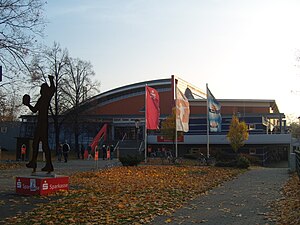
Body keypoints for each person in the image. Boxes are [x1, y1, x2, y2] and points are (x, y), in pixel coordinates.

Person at [22, 75, 55, 173]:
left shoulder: (46, 97)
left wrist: (51, 80)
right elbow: (35, 110)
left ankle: (48, 164)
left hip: (43, 124)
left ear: (45, 90)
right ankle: (35, 162)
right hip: (40, 123)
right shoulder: (41, 99)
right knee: (36, 143)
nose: (40, 90)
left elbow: (52, 90)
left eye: (42, 88)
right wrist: (28, 104)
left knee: (44, 145)